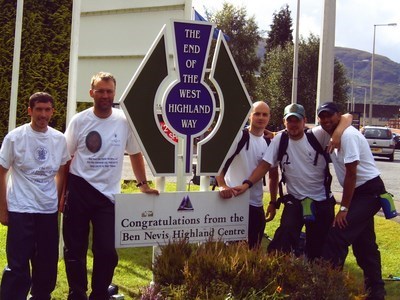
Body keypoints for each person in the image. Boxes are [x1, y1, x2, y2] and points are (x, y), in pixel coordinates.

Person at [62, 71, 159, 300]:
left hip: (108, 197)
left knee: (106, 251)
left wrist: (143, 184)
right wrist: (62, 194)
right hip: (79, 188)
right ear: (91, 93)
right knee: (74, 249)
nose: (105, 95)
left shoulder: (124, 121)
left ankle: (98, 294)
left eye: (109, 91)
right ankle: (77, 293)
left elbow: (135, 154)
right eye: (100, 91)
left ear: (114, 93)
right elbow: (65, 158)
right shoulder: (80, 120)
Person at [233, 103, 352, 260]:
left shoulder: (318, 135)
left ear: (305, 121)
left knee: (318, 250)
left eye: (297, 120)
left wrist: (336, 134)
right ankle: (279, 277)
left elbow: (347, 117)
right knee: (282, 242)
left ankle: (316, 279)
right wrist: (247, 184)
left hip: (321, 202)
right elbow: (264, 166)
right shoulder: (279, 140)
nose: (293, 125)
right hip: (295, 202)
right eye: (290, 121)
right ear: (284, 122)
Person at [0, 92, 70, 300]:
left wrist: (58, 199)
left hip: (47, 210)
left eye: (47, 109)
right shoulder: (15, 138)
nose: (43, 114)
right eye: (38, 109)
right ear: (30, 111)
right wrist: (3, 208)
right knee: (18, 263)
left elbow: (63, 168)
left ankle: (41, 296)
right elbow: (2, 171)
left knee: (47, 261)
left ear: (53, 112)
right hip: (20, 208)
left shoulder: (59, 139)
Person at [317, 102, 387, 300]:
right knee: (365, 245)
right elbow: (345, 117)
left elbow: (351, 175)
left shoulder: (348, 136)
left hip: (368, 192)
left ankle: (329, 288)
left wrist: (344, 208)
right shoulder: (336, 132)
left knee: (337, 235)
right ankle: (376, 292)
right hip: (359, 193)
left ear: (338, 115)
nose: (325, 120)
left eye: (329, 116)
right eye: (322, 117)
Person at [216, 101, 279, 249]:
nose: (261, 117)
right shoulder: (239, 137)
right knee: (232, 250)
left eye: (265, 114)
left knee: (253, 250)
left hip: (256, 204)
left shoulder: (270, 143)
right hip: (233, 201)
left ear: (269, 117)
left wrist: (273, 202)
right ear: (250, 116)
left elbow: (274, 175)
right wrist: (222, 185)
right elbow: (218, 162)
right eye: (257, 113)